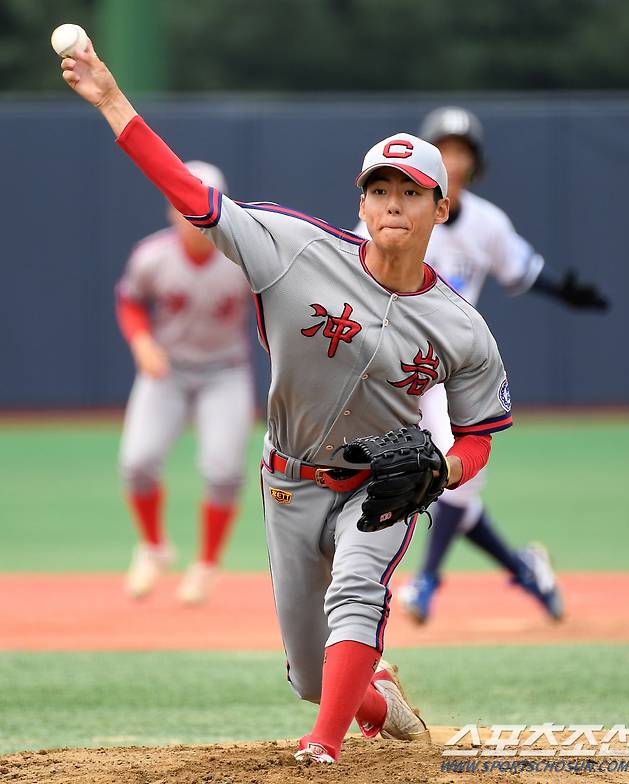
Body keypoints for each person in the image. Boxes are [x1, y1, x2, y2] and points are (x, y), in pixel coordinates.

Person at [60, 44, 514, 764]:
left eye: (411, 192)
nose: (393, 204)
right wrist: (113, 100)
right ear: (362, 201)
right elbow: (190, 194)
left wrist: (443, 473)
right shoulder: (293, 250)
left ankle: (323, 746)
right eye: (380, 190)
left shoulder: (462, 327)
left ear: (441, 206)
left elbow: (481, 433)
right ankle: (372, 697)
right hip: (290, 481)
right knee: (309, 674)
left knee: (359, 591)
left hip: (382, 484)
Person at [355, 106, 609, 624]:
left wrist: (566, 291)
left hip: (451, 362)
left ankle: (425, 581)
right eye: (445, 148)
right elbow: (350, 266)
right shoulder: (392, 213)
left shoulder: (487, 223)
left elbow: (523, 269)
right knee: (438, 486)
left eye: (462, 151)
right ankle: (524, 568)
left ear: (473, 163)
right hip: (395, 362)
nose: (454, 158)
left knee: (450, 476)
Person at [116, 162, 253, 604]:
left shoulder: (243, 258)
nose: (192, 211)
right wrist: (141, 343)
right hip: (168, 370)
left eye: (203, 201)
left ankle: (206, 563)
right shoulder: (152, 256)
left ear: (221, 208)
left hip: (225, 372)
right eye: (183, 201)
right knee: (137, 462)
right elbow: (130, 301)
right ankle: (154, 547)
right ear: (171, 206)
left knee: (224, 470)